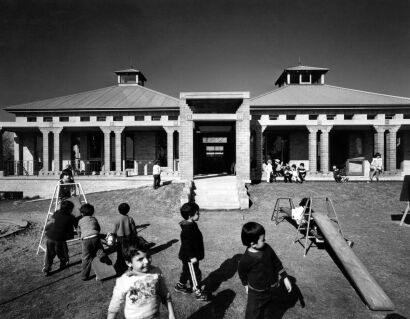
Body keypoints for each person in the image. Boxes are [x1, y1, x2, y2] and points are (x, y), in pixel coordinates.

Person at [238, 222, 292, 319]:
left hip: (271, 289)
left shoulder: (267, 248)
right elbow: (242, 273)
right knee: (252, 314)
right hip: (256, 293)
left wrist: (284, 277)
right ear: (253, 244)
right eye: (263, 240)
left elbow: (277, 262)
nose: (265, 240)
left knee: (268, 311)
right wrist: (245, 285)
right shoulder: (245, 260)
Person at [107, 244, 175, 319]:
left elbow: (165, 294)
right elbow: (114, 307)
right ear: (129, 263)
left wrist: (171, 314)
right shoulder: (124, 280)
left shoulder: (156, 273)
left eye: (148, 256)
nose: (146, 261)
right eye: (140, 259)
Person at [174, 202, 209, 301]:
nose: (199, 215)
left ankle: (180, 286)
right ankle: (198, 292)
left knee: (186, 271)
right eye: (197, 213)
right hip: (189, 257)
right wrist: (192, 256)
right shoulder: (187, 229)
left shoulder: (192, 224)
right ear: (190, 216)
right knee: (195, 274)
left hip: (191, 255)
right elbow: (186, 244)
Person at [42, 200, 78, 276]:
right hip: (60, 239)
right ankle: (63, 263)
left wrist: (45, 229)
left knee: (49, 254)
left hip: (49, 237)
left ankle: (46, 269)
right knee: (63, 252)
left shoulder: (56, 213)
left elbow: (50, 223)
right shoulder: (71, 217)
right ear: (69, 209)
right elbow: (73, 230)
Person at [78, 203, 111, 281]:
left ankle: (84, 276)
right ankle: (104, 270)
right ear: (92, 212)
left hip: (86, 239)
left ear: (82, 213)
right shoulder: (94, 219)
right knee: (100, 253)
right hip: (95, 237)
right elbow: (98, 229)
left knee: (86, 258)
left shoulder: (80, 221)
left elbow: (79, 231)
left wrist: (81, 237)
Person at [108, 202, 138, 275]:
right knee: (128, 252)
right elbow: (134, 230)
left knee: (120, 253)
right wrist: (135, 237)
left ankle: (119, 266)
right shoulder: (130, 218)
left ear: (119, 210)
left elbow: (114, 231)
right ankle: (130, 266)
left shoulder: (117, 219)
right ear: (128, 210)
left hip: (120, 239)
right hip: (129, 238)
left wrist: (111, 238)